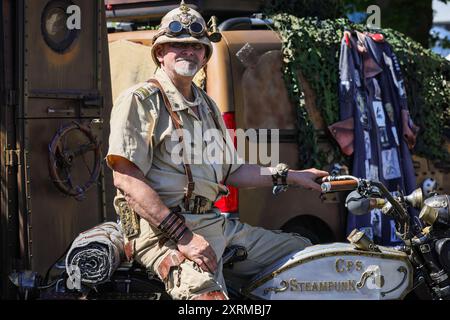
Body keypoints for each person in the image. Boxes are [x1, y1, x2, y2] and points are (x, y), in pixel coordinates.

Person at [106, 1, 328, 300]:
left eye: (197, 47)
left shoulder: (207, 105)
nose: (189, 51)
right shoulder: (141, 100)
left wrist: (291, 176)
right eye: (178, 45)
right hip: (162, 232)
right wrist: (184, 237)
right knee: (208, 300)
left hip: (213, 223)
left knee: (308, 257)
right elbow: (127, 180)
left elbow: (232, 171)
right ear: (160, 53)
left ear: (205, 55)